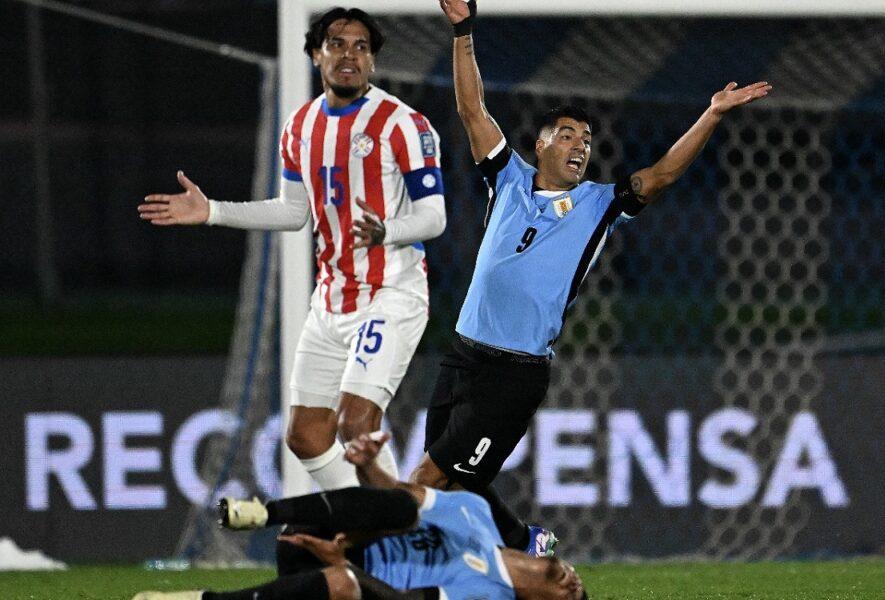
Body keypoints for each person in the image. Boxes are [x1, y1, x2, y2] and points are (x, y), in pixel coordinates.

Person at [406, 0, 774, 556]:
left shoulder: (600, 204)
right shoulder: (507, 178)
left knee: (425, 482)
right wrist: (463, 30)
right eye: (568, 135)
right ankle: (529, 546)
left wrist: (713, 114)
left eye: (587, 140)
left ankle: (362, 565)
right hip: (463, 356)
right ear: (541, 144)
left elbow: (663, 174)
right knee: (453, 486)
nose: (581, 145)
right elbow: (471, 108)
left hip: (514, 373)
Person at [138, 8, 447, 490]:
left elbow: (434, 217)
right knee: (305, 435)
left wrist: (387, 231)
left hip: (390, 294)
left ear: (373, 61)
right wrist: (213, 211)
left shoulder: (402, 124)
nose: (349, 55)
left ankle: (392, 526)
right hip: (331, 301)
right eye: (337, 44)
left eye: (361, 47)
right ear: (316, 54)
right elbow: (292, 212)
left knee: (355, 422)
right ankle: (377, 514)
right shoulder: (300, 126)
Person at [132, 432, 588, 600]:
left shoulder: (487, 595)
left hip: (343, 581)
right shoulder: (476, 513)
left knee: (345, 586)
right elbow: (397, 495)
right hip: (327, 529)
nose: (574, 587)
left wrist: (344, 565)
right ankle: (263, 513)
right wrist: (367, 465)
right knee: (405, 507)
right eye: (578, 587)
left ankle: (199, 599)